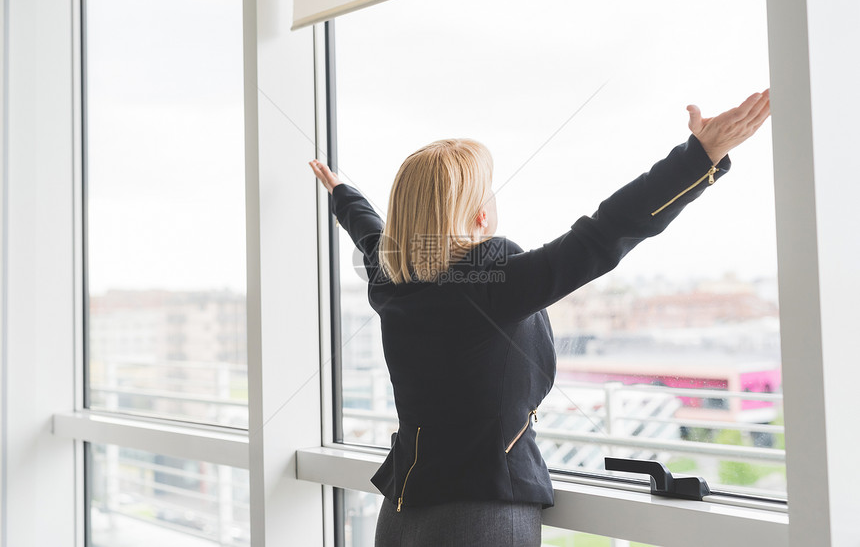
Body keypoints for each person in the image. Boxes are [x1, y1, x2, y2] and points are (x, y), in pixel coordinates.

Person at [309, 90, 771, 547]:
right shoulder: (494, 285)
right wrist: (701, 156)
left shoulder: (391, 278)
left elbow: (369, 232)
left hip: (400, 512)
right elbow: (605, 232)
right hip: (480, 514)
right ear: (479, 216)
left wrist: (342, 194)